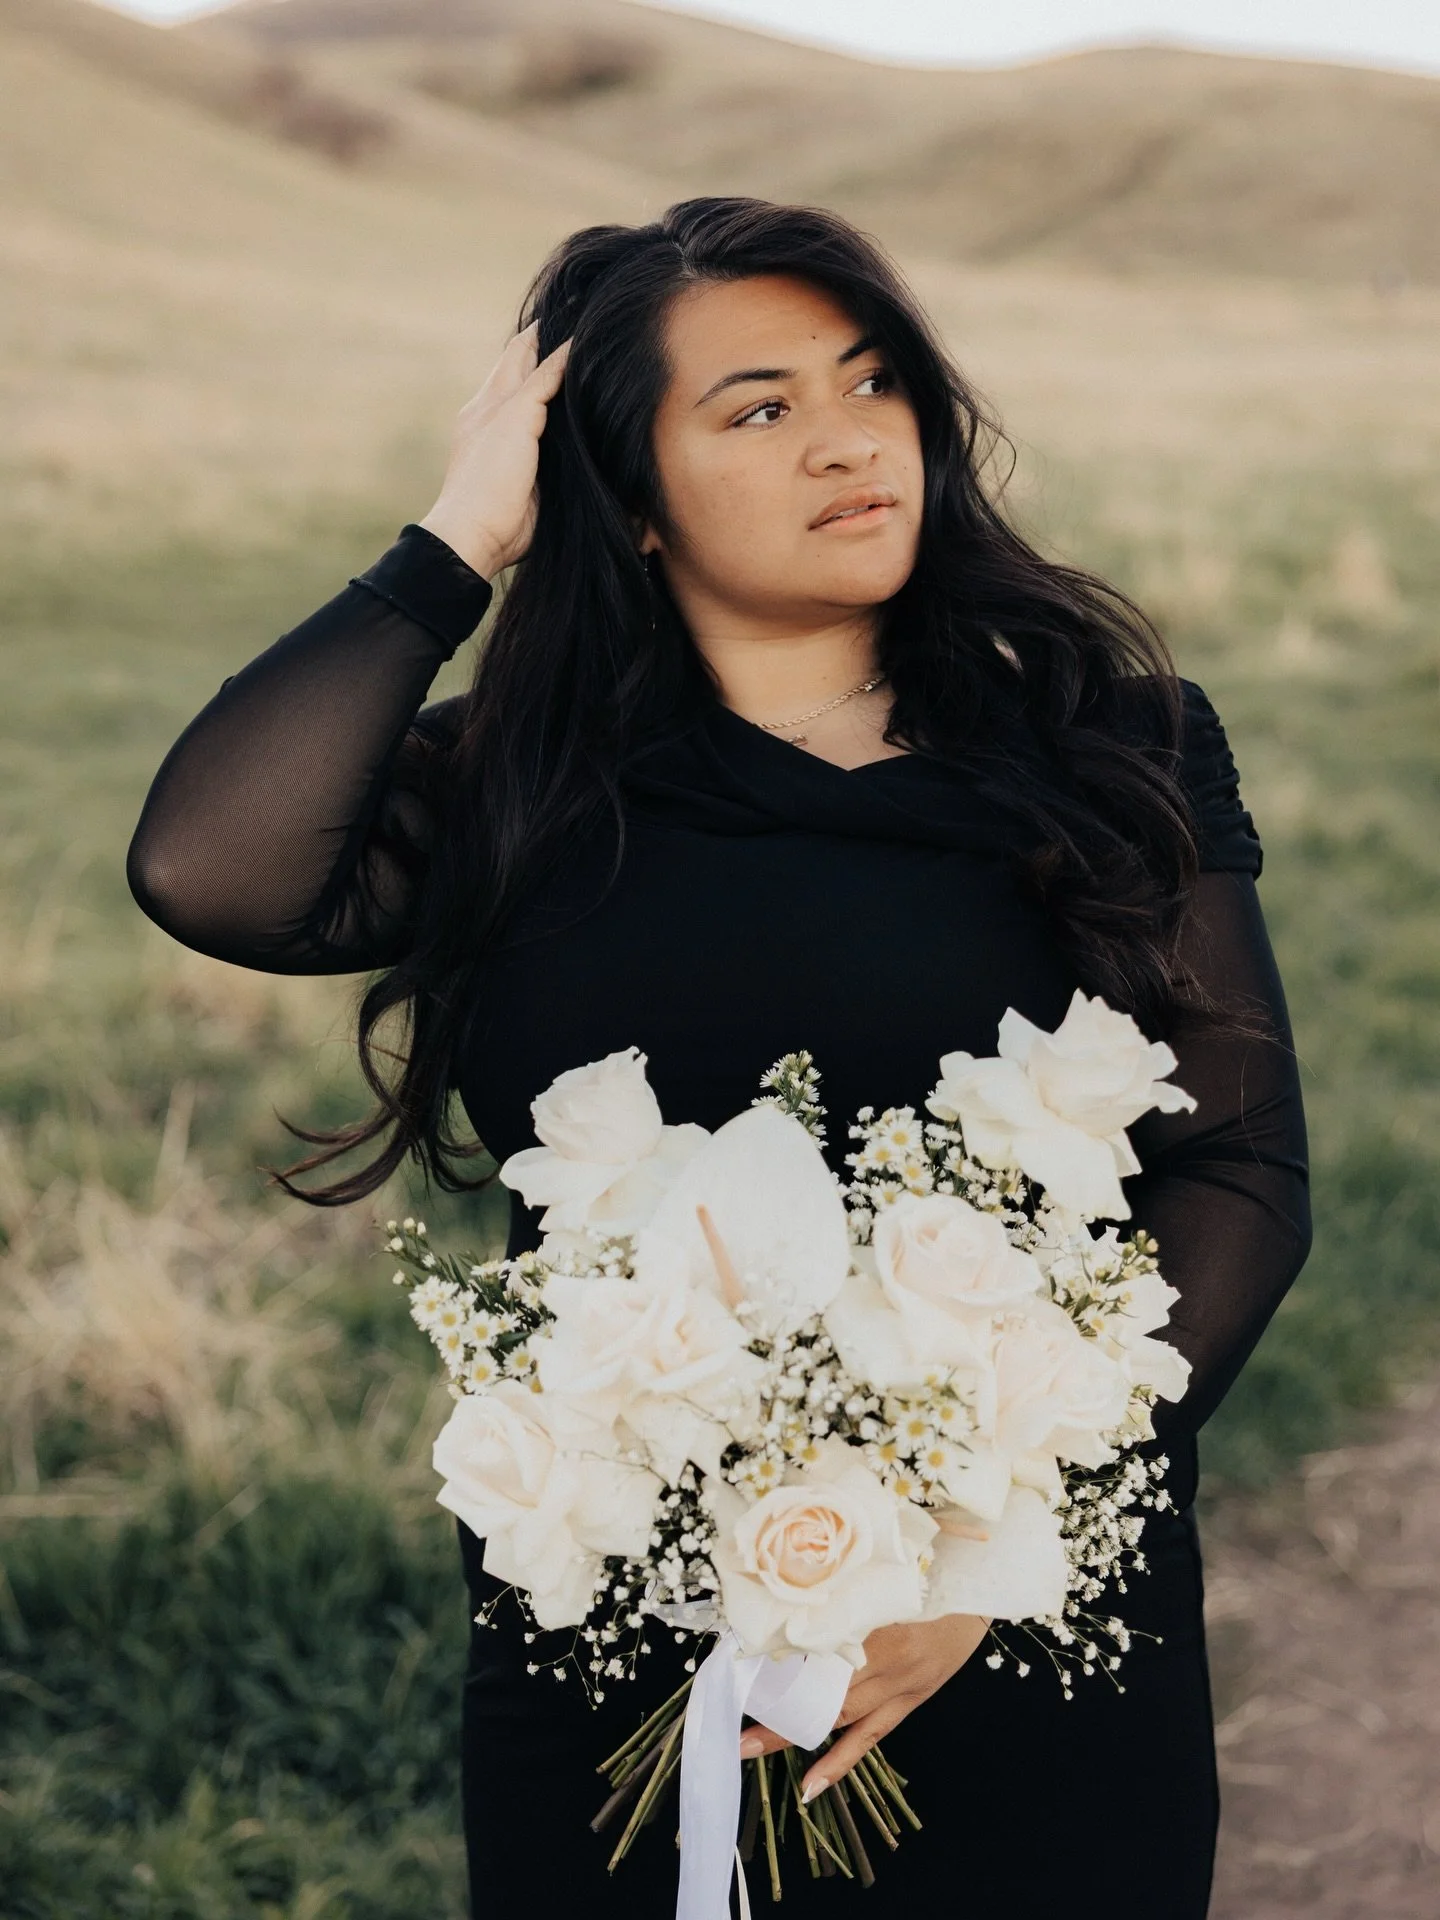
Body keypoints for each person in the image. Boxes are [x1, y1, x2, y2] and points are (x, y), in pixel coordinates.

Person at [127, 197, 1310, 1918]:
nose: (848, 442)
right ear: (628, 500)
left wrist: (983, 1559)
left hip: (1032, 1623)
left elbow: (1240, 1168)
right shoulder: (513, 791)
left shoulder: (1104, 743)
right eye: (756, 409)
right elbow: (206, 869)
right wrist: (457, 537)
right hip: (623, 1652)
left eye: (873, 381)